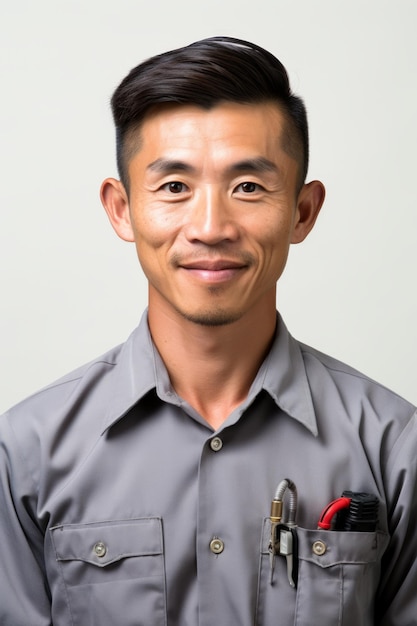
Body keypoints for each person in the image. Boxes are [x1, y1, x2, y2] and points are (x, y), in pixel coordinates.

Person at [0, 36, 416, 626]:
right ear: (121, 209)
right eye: (174, 186)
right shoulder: (25, 454)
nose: (211, 226)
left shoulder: (395, 447)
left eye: (248, 186)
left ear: (302, 211)